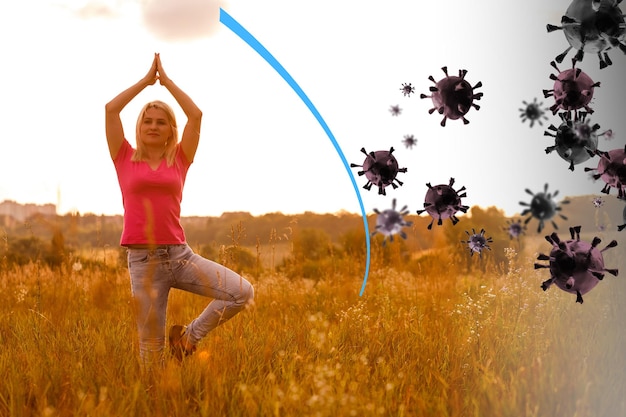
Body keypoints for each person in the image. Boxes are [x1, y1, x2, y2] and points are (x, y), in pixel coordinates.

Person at [105, 53, 254, 371]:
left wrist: (167, 82)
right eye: (148, 121)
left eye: (161, 122)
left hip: (180, 257)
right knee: (151, 355)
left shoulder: (180, 158)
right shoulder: (124, 157)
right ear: (139, 127)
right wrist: (146, 83)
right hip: (143, 263)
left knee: (241, 292)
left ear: (171, 129)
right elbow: (111, 109)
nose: (153, 126)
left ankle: (187, 339)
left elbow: (196, 115)